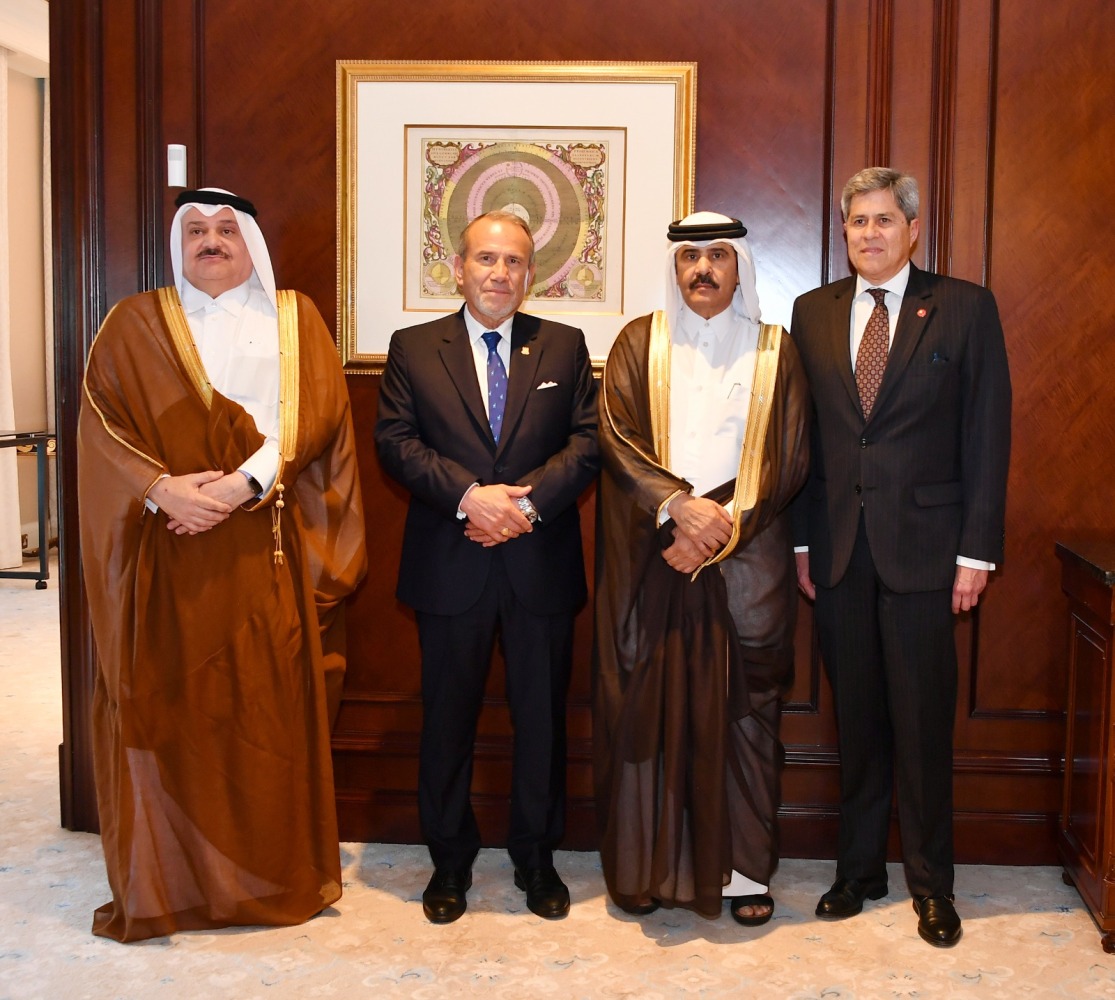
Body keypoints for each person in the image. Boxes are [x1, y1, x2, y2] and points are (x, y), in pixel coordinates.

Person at [78, 188, 367, 942]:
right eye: (197, 231)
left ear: (251, 246)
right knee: (171, 709)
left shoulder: (294, 320)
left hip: (263, 543)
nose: (211, 242)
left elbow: (317, 416)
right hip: (164, 548)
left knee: (260, 713)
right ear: (178, 244)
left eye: (227, 231)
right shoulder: (132, 323)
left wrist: (241, 484)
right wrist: (159, 489)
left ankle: (266, 875)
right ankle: (173, 881)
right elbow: (101, 423)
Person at [791, 167, 1011, 947]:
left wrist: (976, 554)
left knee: (921, 727)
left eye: (884, 220)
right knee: (856, 722)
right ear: (843, 231)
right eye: (857, 222)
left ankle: (930, 885)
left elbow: (987, 435)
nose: (869, 234)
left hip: (927, 554)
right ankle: (857, 871)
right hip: (840, 554)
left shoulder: (962, 307)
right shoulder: (811, 313)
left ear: (912, 229)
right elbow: (808, 440)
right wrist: (803, 541)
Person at [374, 210, 599, 924]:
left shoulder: (564, 346)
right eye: (486, 260)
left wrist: (524, 510)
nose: (499, 274)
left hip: (539, 562)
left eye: (513, 263)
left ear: (531, 274)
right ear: (458, 266)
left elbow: (589, 443)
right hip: (451, 560)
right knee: (448, 719)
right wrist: (470, 498)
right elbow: (395, 442)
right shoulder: (414, 347)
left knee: (541, 720)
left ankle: (536, 859)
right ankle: (448, 860)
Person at [593, 211, 810, 925]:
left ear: (739, 265)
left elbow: (791, 456)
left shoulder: (777, 350)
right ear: (674, 267)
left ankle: (745, 873)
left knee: (746, 716)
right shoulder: (636, 343)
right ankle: (650, 870)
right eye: (689, 258)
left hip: (747, 557)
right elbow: (617, 439)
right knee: (648, 714)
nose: (703, 271)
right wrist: (675, 509)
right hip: (654, 551)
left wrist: (720, 527)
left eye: (717, 256)